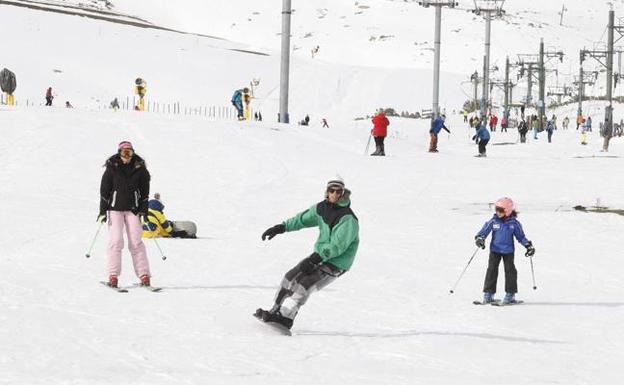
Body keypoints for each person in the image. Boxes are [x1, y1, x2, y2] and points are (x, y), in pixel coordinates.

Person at [256, 177, 359, 330]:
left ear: (343, 193)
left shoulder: (348, 218)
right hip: (320, 256)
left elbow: (338, 246)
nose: (335, 194)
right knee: (290, 277)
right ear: (327, 192)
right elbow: (301, 220)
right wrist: (281, 228)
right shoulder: (321, 209)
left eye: (339, 191)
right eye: (332, 190)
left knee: (305, 285)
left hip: (337, 262)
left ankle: (287, 317)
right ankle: (274, 310)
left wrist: (315, 258)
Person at [98, 141, 152, 288]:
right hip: (115, 209)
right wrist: (103, 211)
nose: (126, 156)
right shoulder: (112, 168)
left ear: (133, 153)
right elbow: (104, 191)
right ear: (119, 153)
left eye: (129, 152)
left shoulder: (140, 169)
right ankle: (113, 276)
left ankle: (144, 275)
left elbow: (145, 193)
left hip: (133, 210)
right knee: (115, 241)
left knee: (136, 242)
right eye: (124, 152)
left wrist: (144, 210)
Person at [475, 197, 535, 304]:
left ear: (507, 211)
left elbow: (521, 237)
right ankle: (488, 294)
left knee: (510, 271)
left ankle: (510, 294)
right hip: (495, 250)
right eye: (496, 209)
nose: (498, 212)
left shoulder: (514, 223)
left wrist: (528, 246)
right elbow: (484, 231)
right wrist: (480, 238)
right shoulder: (494, 221)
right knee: (492, 270)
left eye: (501, 210)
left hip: (508, 252)